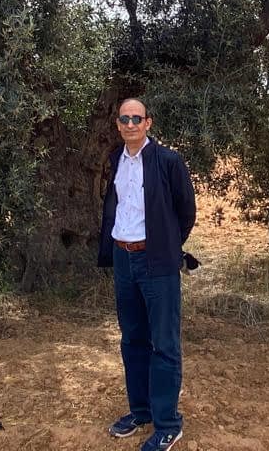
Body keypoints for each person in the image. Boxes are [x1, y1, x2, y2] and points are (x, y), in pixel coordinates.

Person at [98, 98, 196, 451]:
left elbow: (186, 212)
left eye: (136, 118)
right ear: (119, 124)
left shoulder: (168, 161)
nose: (129, 124)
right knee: (132, 340)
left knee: (164, 344)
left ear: (148, 123)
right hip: (124, 261)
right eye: (124, 118)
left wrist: (167, 246)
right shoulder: (116, 161)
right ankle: (141, 412)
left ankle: (168, 424)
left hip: (157, 263)